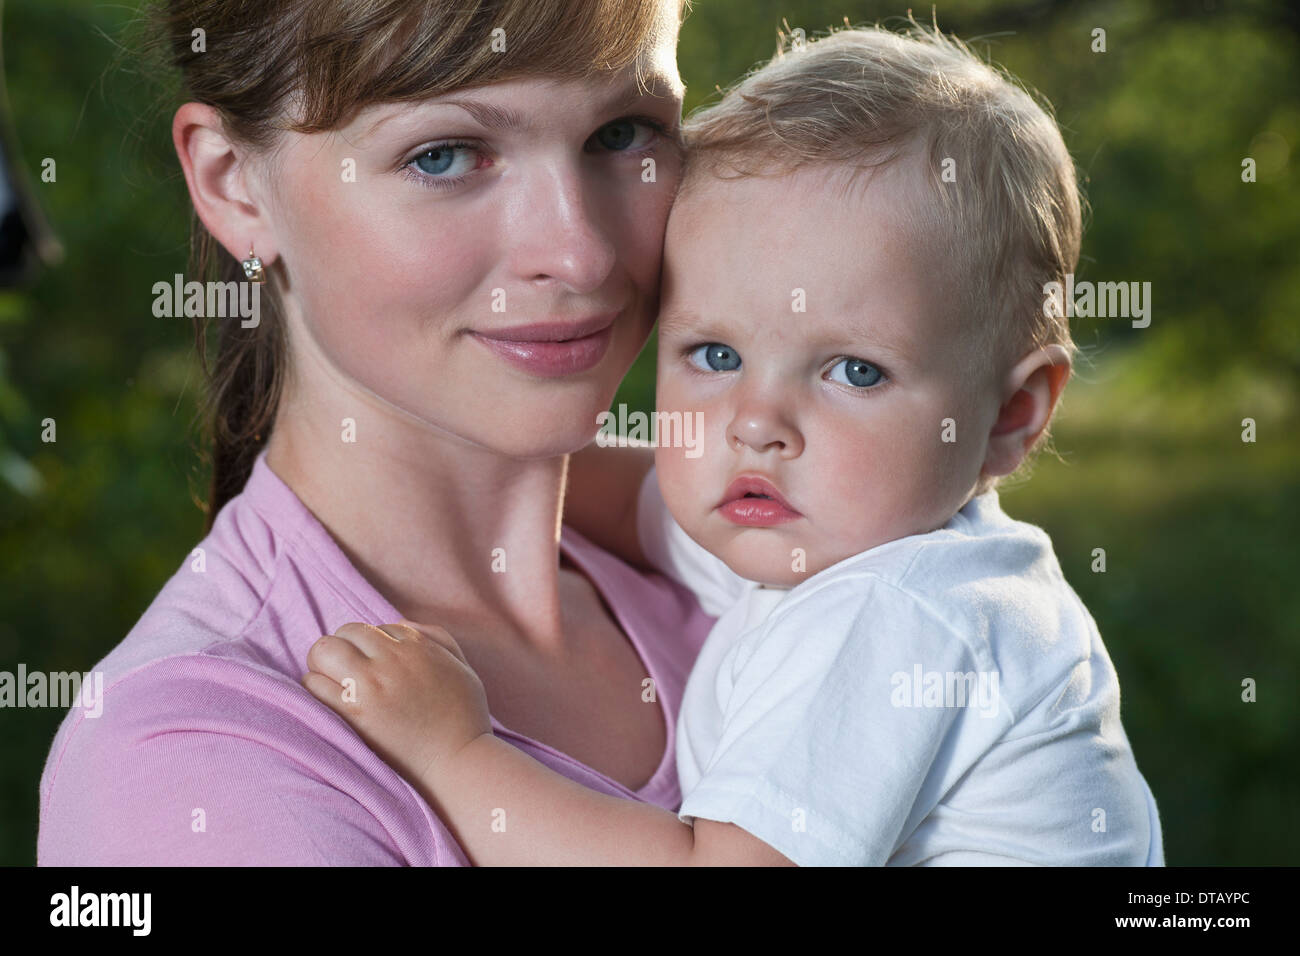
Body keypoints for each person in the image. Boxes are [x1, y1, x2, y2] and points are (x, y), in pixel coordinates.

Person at [305, 25, 1165, 866]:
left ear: (1011, 416)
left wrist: (455, 753)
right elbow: (632, 504)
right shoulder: (832, 529)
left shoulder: (902, 607)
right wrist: (425, 431)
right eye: (716, 356)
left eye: (855, 373)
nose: (755, 423)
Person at [37, 0, 711, 866]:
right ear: (233, 182)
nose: (579, 253)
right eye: (444, 156)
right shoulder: (189, 765)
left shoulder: (752, 570)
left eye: (623, 134)